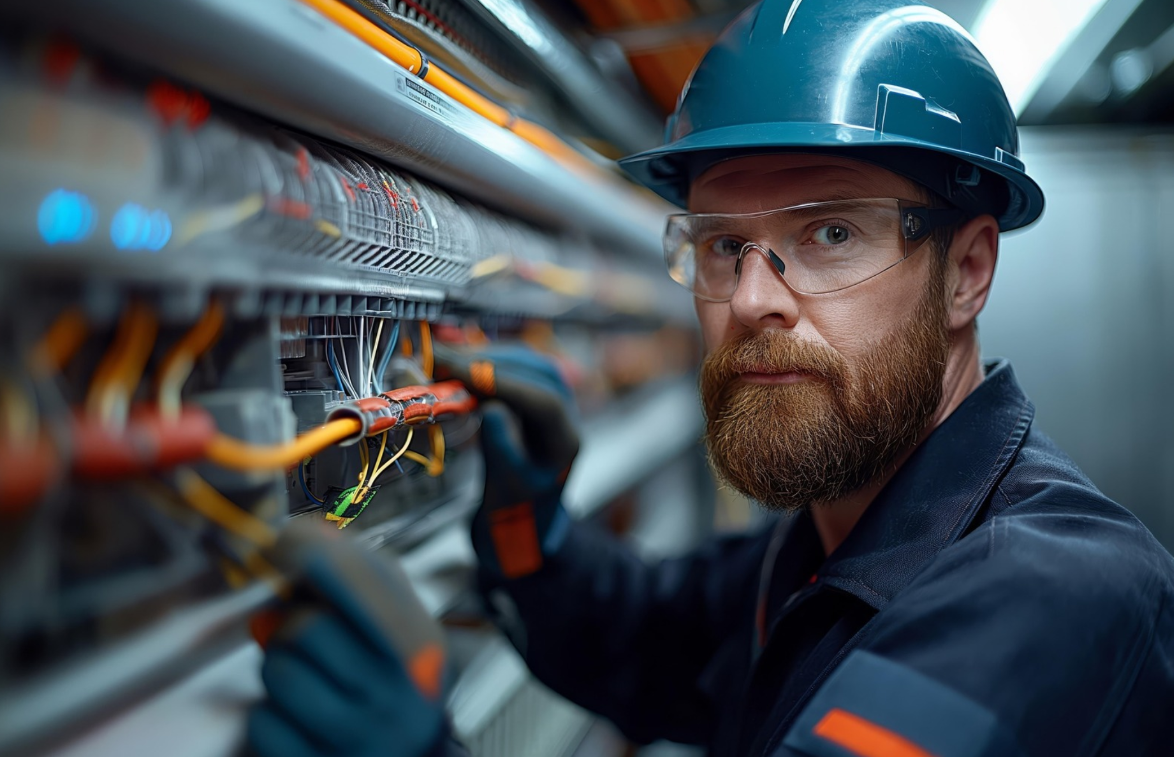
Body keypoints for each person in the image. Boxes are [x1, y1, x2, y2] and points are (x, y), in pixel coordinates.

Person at [246, 1, 1174, 755]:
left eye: (830, 234)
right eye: (725, 245)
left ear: (967, 272)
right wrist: (526, 528)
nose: (751, 300)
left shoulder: (1053, 595)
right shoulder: (828, 537)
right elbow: (648, 640)